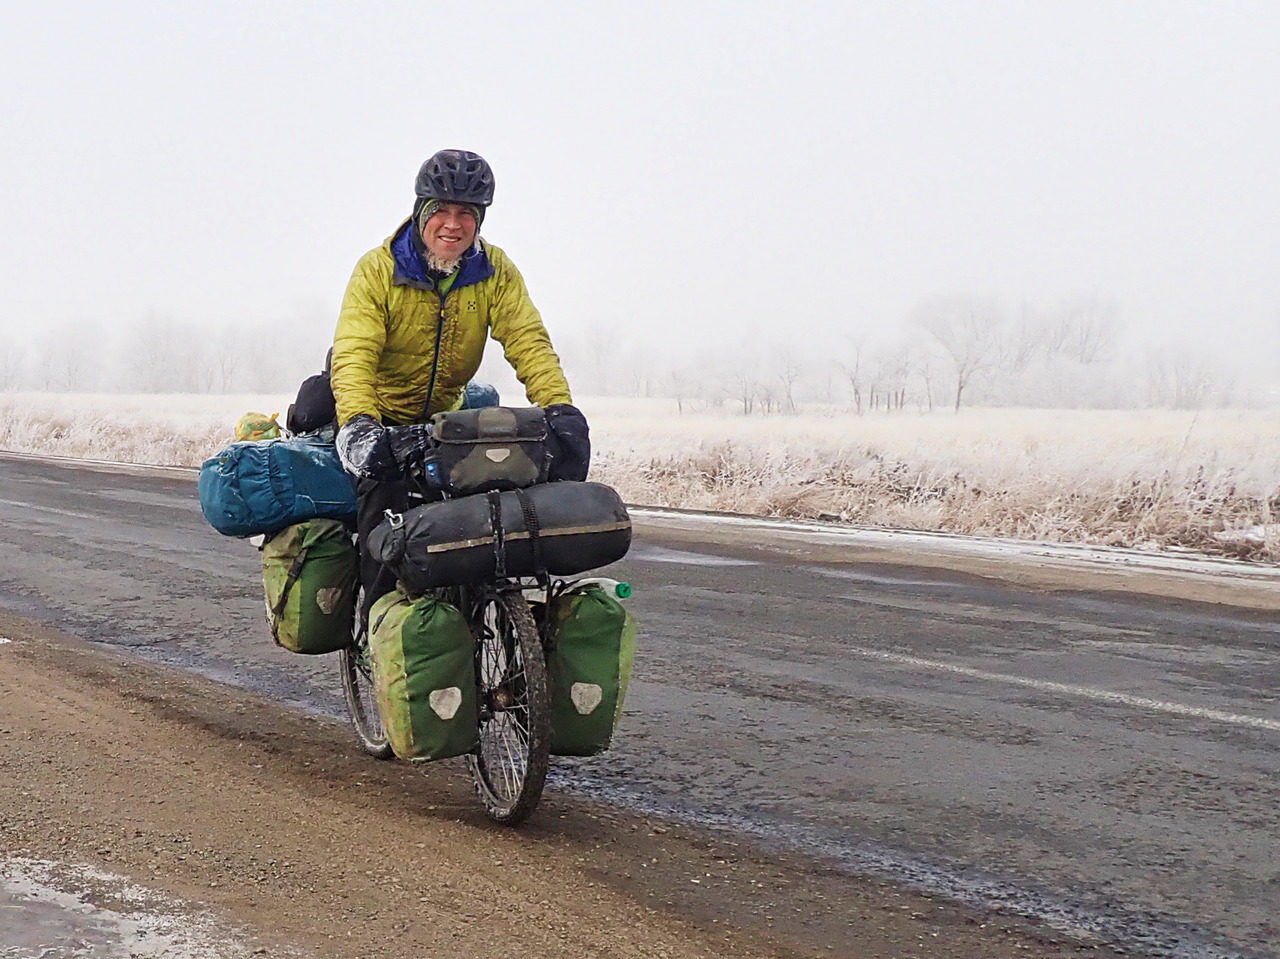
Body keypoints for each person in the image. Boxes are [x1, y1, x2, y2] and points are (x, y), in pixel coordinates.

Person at [330, 149, 588, 624]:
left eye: (466, 213)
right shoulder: (378, 270)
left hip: (442, 419)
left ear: (480, 219)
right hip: (381, 415)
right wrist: (361, 427)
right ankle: (382, 629)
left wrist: (560, 409)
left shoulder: (494, 270)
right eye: (441, 211)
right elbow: (354, 354)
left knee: (490, 516)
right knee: (383, 521)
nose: (453, 225)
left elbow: (527, 339)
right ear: (420, 211)